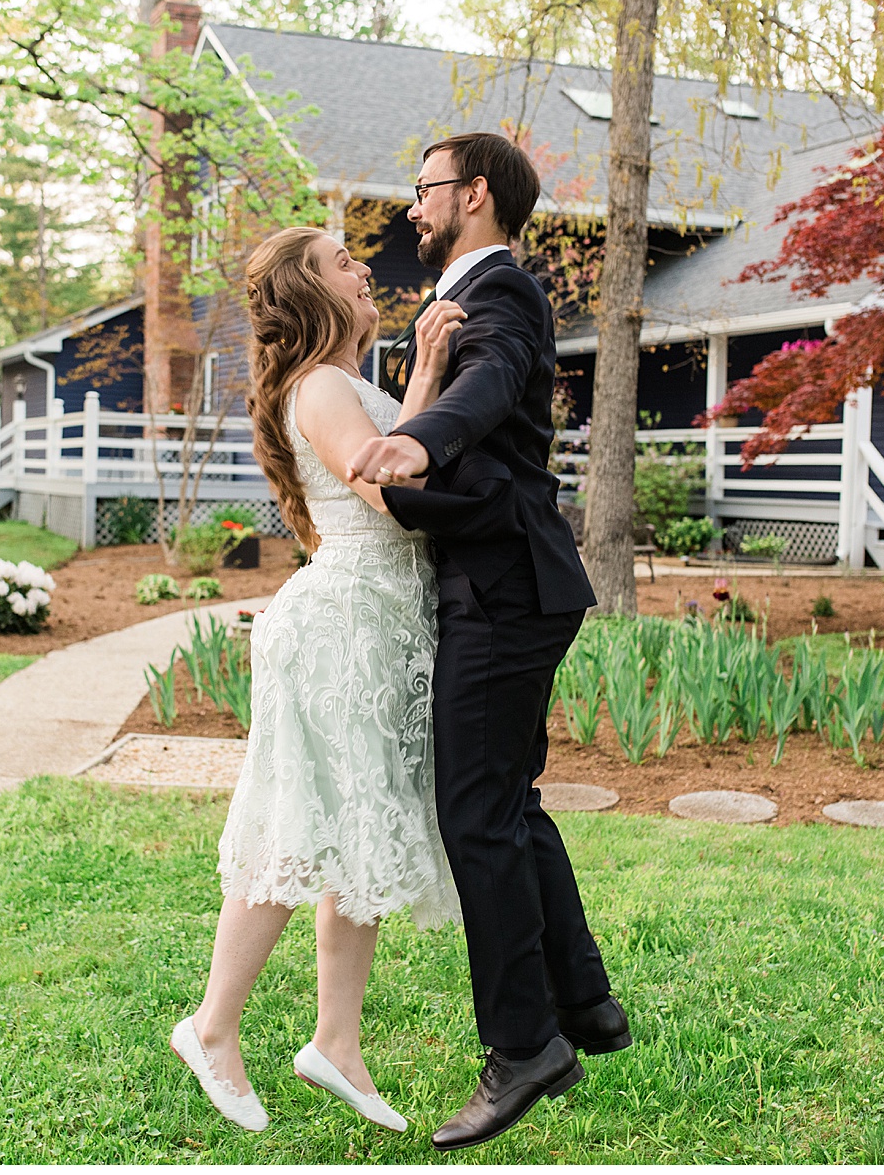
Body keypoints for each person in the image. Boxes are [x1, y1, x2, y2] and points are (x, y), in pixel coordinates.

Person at [348, 132, 632, 1152]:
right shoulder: (462, 300)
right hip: (510, 579)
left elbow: (493, 379)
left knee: (476, 815)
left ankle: (525, 1047)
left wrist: (420, 437)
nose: (409, 208)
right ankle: (585, 1004)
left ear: (471, 195)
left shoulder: (498, 295)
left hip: (504, 586)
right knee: (508, 803)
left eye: (420, 190)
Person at [170, 226, 467, 1134]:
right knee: (299, 827)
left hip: (378, 624)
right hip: (339, 627)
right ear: (310, 291)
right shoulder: (325, 384)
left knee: (358, 832)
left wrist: (420, 384)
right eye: (344, 261)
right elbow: (389, 489)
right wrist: (427, 380)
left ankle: (335, 1042)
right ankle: (212, 1028)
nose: (364, 267)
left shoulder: (344, 379)